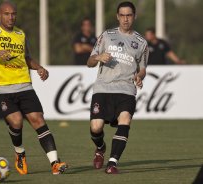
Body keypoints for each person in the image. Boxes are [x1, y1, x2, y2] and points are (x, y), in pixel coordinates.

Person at [0, 1, 67, 175]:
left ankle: (55, 163)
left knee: (38, 119)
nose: (11, 17)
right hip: (1, 87)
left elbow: (26, 58)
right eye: (7, 14)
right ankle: (19, 152)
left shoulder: (20, 34)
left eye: (13, 14)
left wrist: (39, 67)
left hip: (24, 84)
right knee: (16, 121)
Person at [87, 1, 149, 174]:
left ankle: (112, 163)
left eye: (129, 15)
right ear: (117, 16)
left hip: (126, 90)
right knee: (96, 127)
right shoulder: (107, 35)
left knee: (125, 120)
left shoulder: (141, 42)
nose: (125, 19)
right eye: (122, 15)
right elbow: (89, 62)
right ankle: (100, 148)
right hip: (103, 88)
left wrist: (139, 76)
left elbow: (143, 69)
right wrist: (98, 57)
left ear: (134, 16)